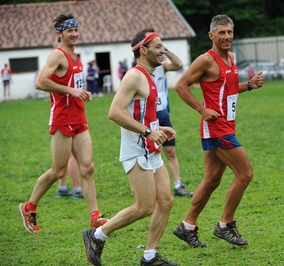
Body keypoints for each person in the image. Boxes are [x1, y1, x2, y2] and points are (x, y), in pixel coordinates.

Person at [83, 28, 179, 266]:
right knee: (144, 206)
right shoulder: (134, 75)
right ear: (143, 50)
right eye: (158, 46)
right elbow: (114, 112)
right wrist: (148, 131)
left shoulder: (150, 75)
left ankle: (149, 256)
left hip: (151, 149)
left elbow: (142, 113)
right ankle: (96, 235)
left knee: (165, 201)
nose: (162, 51)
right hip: (137, 150)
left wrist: (159, 128)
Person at [171, 14, 264, 248]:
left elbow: (229, 90)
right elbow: (181, 86)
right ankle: (225, 225)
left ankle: (187, 226)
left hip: (225, 125)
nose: (226, 36)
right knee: (245, 174)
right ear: (211, 35)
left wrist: (249, 85)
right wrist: (201, 109)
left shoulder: (231, 58)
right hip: (216, 127)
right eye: (221, 33)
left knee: (212, 179)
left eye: (229, 32)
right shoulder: (205, 60)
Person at [18, 13, 107, 234]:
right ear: (60, 34)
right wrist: (71, 91)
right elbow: (40, 82)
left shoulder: (75, 56)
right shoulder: (57, 55)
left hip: (79, 118)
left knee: (88, 167)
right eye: (70, 31)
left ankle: (95, 217)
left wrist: (81, 93)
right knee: (58, 171)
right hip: (62, 119)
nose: (75, 34)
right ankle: (29, 208)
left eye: (76, 30)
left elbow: (72, 84)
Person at [154, 50, 193, 197]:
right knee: (148, 153)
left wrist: (165, 51)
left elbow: (178, 64)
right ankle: (145, 187)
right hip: (146, 117)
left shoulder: (162, 66)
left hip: (163, 114)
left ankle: (178, 186)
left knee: (170, 151)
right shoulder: (137, 71)